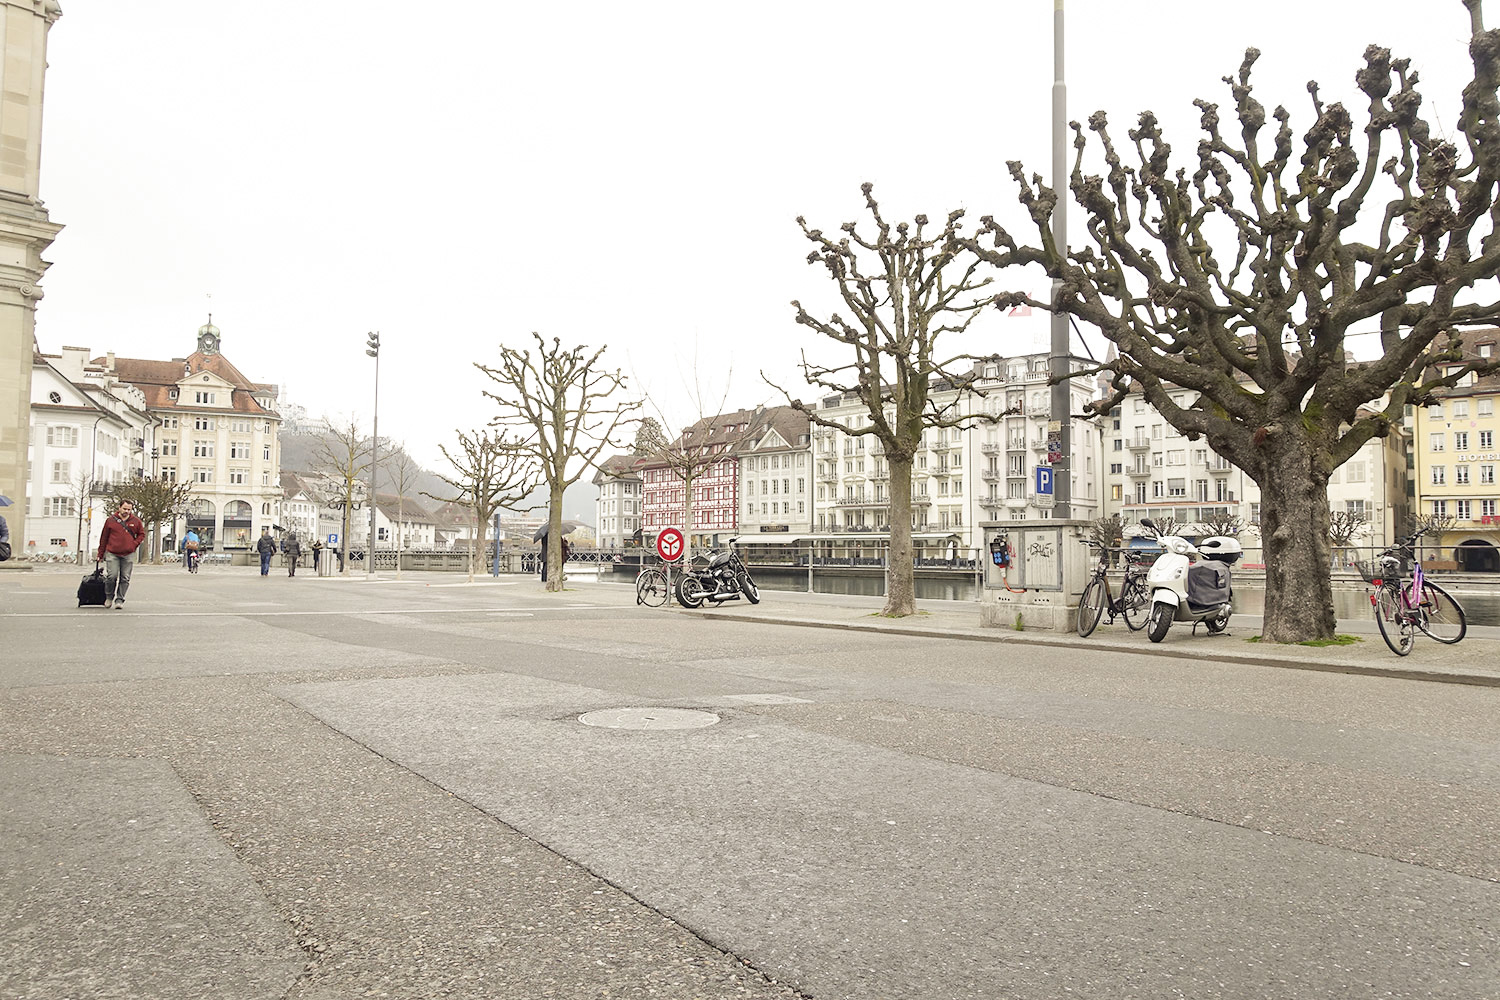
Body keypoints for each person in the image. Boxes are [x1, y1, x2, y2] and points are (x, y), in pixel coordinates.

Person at [96, 499, 145, 609]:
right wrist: (100, 553)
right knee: (111, 576)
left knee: (125, 578)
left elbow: (141, 534)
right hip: (112, 553)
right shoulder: (110, 521)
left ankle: (120, 600)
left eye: (129, 509)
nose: (126, 511)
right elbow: (104, 537)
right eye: (124, 509)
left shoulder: (136, 521)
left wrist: (134, 544)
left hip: (128, 553)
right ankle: (109, 597)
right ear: (119, 508)